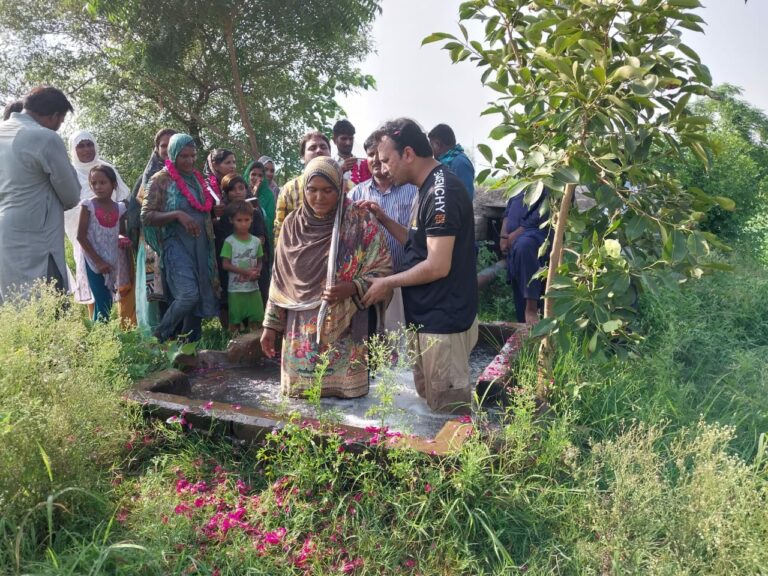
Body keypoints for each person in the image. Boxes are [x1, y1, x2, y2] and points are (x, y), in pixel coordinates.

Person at [362, 118, 478, 415]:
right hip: (425, 319)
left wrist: (386, 283)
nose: (383, 168)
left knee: (448, 417)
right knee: (428, 410)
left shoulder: (442, 192)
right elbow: (419, 243)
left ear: (409, 154)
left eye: (386, 159)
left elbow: (437, 264)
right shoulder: (425, 188)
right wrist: (383, 219)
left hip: (444, 324)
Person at [260, 156, 392, 399]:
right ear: (303, 189)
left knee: (350, 410)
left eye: (327, 190)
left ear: (339, 188)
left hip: (346, 320)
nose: (318, 197)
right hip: (300, 325)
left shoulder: (360, 221)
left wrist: (352, 287)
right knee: (301, 405)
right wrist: (270, 325)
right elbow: (279, 278)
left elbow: (383, 268)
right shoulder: (292, 225)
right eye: (312, 190)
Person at [0, 86, 81, 303]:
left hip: (5, 231)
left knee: (11, 303)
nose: (58, 127)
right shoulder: (44, 137)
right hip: (37, 236)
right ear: (54, 116)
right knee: (46, 305)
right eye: (60, 121)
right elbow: (72, 195)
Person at [141, 133, 219, 342]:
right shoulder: (159, 180)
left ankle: (190, 347)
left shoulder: (196, 178)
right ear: (173, 154)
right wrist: (177, 215)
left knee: (198, 297)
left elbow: (203, 209)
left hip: (200, 245)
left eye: (193, 156)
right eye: (184, 156)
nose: (189, 161)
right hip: (176, 245)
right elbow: (146, 216)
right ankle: (158, 337)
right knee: (188, 295)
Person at [349, 132, 417, 332]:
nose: (377, 160)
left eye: (381, 155)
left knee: (404, 342)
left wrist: (383, 217)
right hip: (368, 284)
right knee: (371, 339)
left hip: (405, 280)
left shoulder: (412, 191)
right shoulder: (356, 194)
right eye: (371, 154)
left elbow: (416, 240)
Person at [66, 130, 131, 317]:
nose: (86, 149)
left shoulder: (105, 168)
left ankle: (120, 324)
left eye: (89, 144)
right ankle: (98, 328)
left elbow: (123, 199)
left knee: (113, 288)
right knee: (94, 287)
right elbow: (66, 206)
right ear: (73, 149)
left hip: (111, 239)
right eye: (80, 145)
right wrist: (88, 211)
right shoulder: (70, 172)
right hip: (86, 241)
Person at [132, 128, 176, 331]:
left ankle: (177, 332)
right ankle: (153, 336)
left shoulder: (187, 175)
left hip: (178, 240)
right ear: (157, 149)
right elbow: (136, 216)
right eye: (163, 145)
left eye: (171, 144)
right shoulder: (148, 178)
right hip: (152, 242)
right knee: (154, 290)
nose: (167, 149)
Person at [214, 173, 268, 327]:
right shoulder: (223, 215)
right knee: (232, 306)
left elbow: (261, 238)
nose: (237, 192)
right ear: (226, 192)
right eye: (232, 189)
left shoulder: (254, 212)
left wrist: (256, 270)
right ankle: (231, 336)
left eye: (241, 188)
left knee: (256, 305)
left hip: (253, 269)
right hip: (232, 271)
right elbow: (221, 244)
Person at [76, 165, 128, 321]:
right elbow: (81, 236)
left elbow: (120, 232)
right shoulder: (88, 206)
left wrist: (123, 239)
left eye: (103, 182)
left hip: (111, 261)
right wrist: (98, 262)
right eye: (94, 183)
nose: (98, 187)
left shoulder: (120, 208)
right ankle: (102, 339)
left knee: (104, 303)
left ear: (113, 183)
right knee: (104, 302)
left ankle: (96, 339)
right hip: (93, 261)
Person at [273, 130, 332, 244]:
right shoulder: (289, 189)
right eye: (312, 148)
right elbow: (279, 229)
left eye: (323, 147)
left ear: (330, 152)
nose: (319, 150)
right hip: (297, 255)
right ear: (302, 157)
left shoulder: (346, 186)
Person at [500, 191, 550, 325]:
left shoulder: (550, 182)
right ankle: (524, 327)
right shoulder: (520, 183)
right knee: (519, 296)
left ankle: (532, 308)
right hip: (512, 240)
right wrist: (503, 235)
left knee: (524, 246)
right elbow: (507, 212)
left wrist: (514, 235)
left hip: (535, 237)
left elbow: (539, 215)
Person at [220, 201, 264, 332]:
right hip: (236, 289)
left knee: (257, 319)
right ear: (231, 220)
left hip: (253, 288)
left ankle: (256, 346)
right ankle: (234, 347)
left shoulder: (256, 242)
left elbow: (260, 261)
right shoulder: (229, 242)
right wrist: (245, 272)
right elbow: (225, 264)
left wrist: (257, 272)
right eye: (239, 220)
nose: (243, 223)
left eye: (247, 220)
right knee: (235, 321)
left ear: (251, 220)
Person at [242, 161, 275, 304]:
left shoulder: (268, 195)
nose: (257, 178)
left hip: (261, 243)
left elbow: (270, 219)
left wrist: (256, 204)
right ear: (247, 175)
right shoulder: (239, 191)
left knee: (261, 281)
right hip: (241, 243)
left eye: (260, 175)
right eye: (253, 174)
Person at [428, 123, 475, 200]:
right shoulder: (446, 162)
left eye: (432, 145)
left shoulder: (460, 163)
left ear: (438, 144)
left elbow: (465, 198)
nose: (431, 151)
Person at [333, 119, 371, 185]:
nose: (348, 143)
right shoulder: (330, 165)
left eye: (351, 138)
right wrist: (341, 170)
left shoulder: (363, 163)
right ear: (334, 140)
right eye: (343, 139)